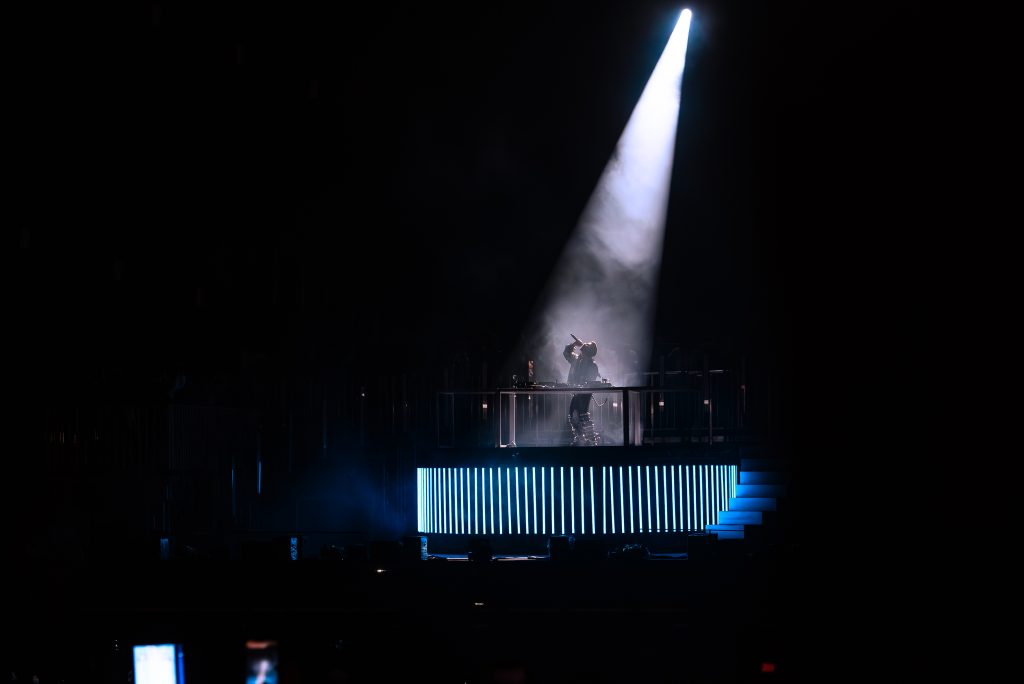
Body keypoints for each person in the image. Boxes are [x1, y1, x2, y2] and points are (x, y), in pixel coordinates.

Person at [563, 337, 600, 445]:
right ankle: (580, 437)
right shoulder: (577, 360)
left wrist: (582, 383)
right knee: (573, 414)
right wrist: (575, 343)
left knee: (582, 415)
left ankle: (591, 439)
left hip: (584, 393)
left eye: (588, 345)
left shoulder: (592, 365)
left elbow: (590, 381)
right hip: (576, 392)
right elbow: (566, 353)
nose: (585, 345)